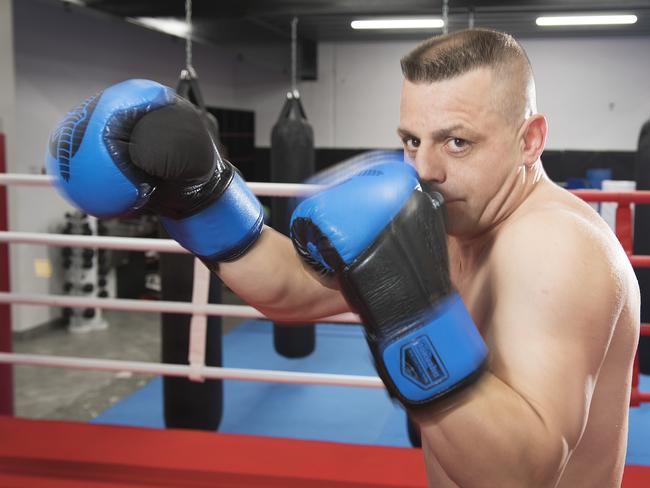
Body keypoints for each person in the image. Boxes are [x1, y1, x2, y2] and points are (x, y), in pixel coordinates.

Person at [46, 28, 639, 488]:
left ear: (530, 139)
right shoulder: (450, 215)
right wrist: (203, 195)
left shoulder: (556, 248)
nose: (426, 169)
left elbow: (518, 476)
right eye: (412, 139)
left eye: (458, 141)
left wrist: (406, 313)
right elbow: (289, 289)